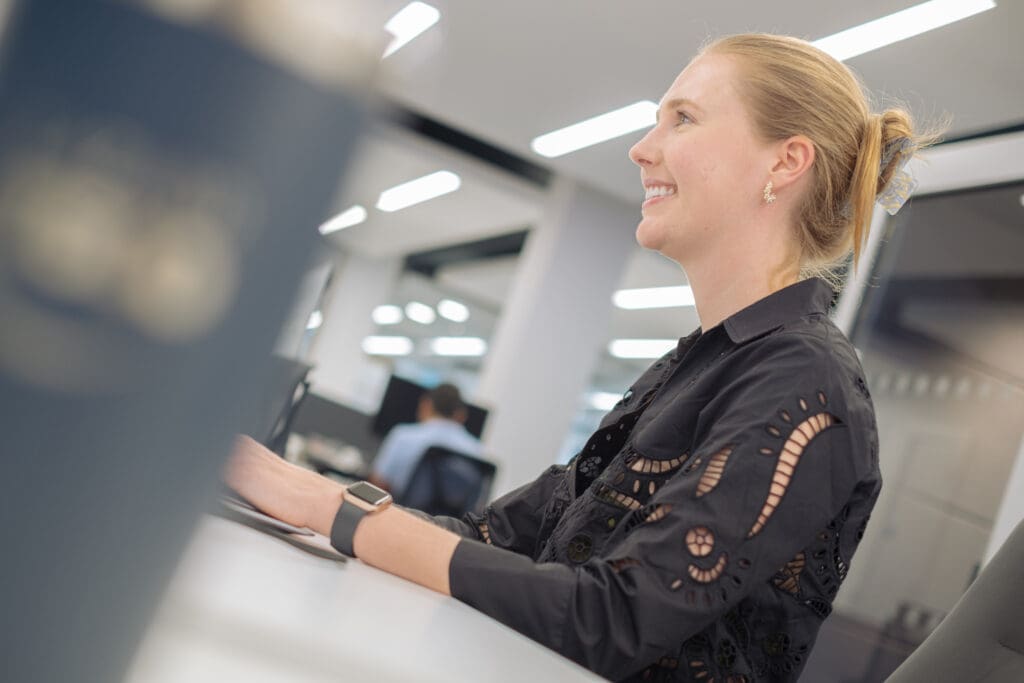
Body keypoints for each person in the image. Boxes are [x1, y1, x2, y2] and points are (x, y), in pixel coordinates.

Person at [227, 33, 938, 682]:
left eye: (682, 118)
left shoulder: (806, 380)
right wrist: (296, 491)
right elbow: (502, 536)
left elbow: (611, 618)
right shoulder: (696, 364)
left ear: (785, 161)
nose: (642, 147)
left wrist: (330, 507)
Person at [368, 382, 483, 498]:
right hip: (447, 516)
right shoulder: (475, 449)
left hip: (402, 512)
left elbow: (378, 483)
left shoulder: (403, 435)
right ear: (459, 413)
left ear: (426, 404)